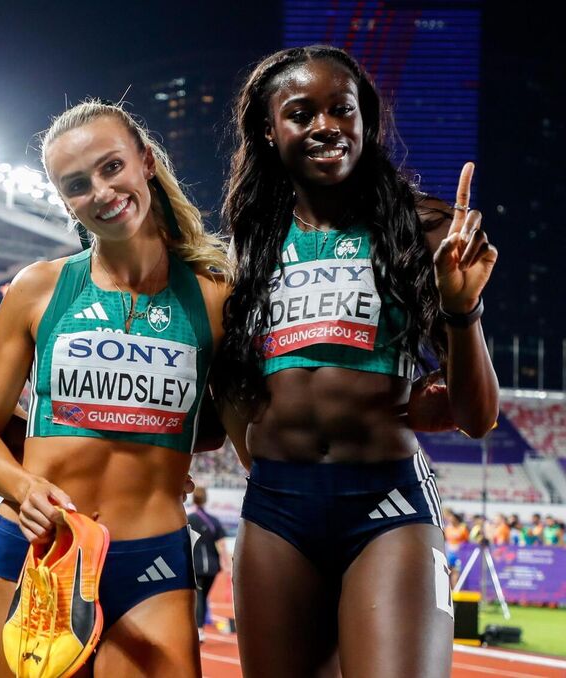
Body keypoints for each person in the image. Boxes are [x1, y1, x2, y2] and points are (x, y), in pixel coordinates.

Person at [214, 44, 500, 678]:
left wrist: (462, 310)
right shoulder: (248, 242)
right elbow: (231, 386)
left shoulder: (426, 230)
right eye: (301, 112)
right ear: (269, 129)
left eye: (342, 110)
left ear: (365, 122)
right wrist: (255, 458)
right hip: (276, 509)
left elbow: (478, 417)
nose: (325, 126)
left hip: (386, 502)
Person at [0, 100, 230, 677]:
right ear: (65, 201)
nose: (102, 192)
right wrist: (22, 486)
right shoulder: (38, 288)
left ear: (147, 163)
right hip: (39, 550)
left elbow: (223, 423)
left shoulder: (214, 296)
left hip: (150, 557)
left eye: (112, 168)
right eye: (78, 184)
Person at [187, 486, 228, 642]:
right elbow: (222, 544)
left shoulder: (188, 519)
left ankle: (199, 630)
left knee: (199, 598)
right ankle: (199, 628)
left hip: (195, 565)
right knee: (203, 597)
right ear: (205, 499)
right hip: (212, 566)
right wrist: (226, 564)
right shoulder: (214, 521)